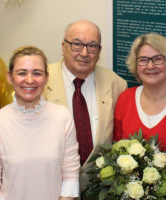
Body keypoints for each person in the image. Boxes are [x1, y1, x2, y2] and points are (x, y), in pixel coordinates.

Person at [43, 20, 127, 190]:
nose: (84, 52)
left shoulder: (116, 85)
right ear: (63, 46)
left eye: (92, 46)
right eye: (76, 44)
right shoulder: (40, 82)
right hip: (51, 187)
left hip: (98, 189)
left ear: (99, 51)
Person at [0, 46, 80, 200]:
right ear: (10, 77)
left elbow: (70, 175)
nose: (30, 80)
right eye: (21, 73)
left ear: (46, 78)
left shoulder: (62, 117)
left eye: (37, 73)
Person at [113, 33, 166, 154]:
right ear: (136, 66)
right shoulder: (125, 99)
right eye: (143, 60)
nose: (150, 66)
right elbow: (116, 148)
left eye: (158, 59)